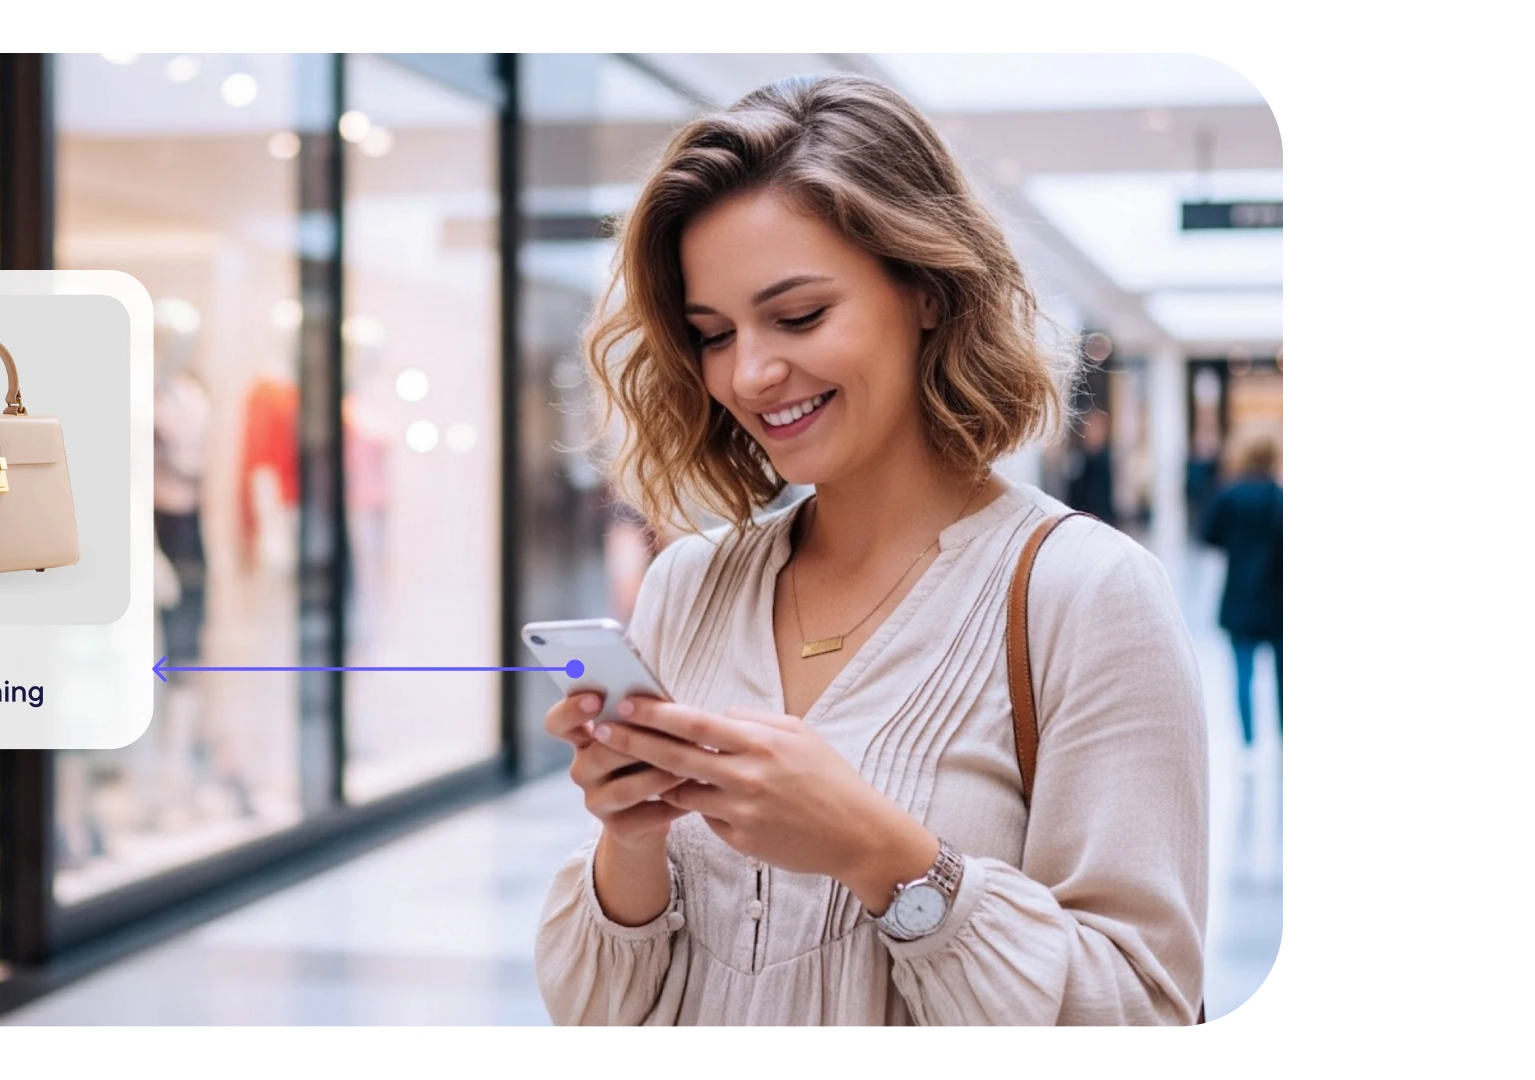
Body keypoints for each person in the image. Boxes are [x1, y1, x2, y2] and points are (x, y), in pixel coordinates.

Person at [533, 74, 1208, 1026]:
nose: (750, 373)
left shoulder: (1087, 594)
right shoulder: (689, 585)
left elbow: (1143, 1011)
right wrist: (631, 839)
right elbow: (599, 1013)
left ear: (926, 289)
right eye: (712, 334)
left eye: (799, 316)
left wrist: (883, 856)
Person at [1201, 434, 1284, 756]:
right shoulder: (1279, 498)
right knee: (1282, 674)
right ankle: (1283, 738)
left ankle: (1248, 743)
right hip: (1276, 598)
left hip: (1239, 596)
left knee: (1243, 673)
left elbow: (1208, 535)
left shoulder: (1229, 496)